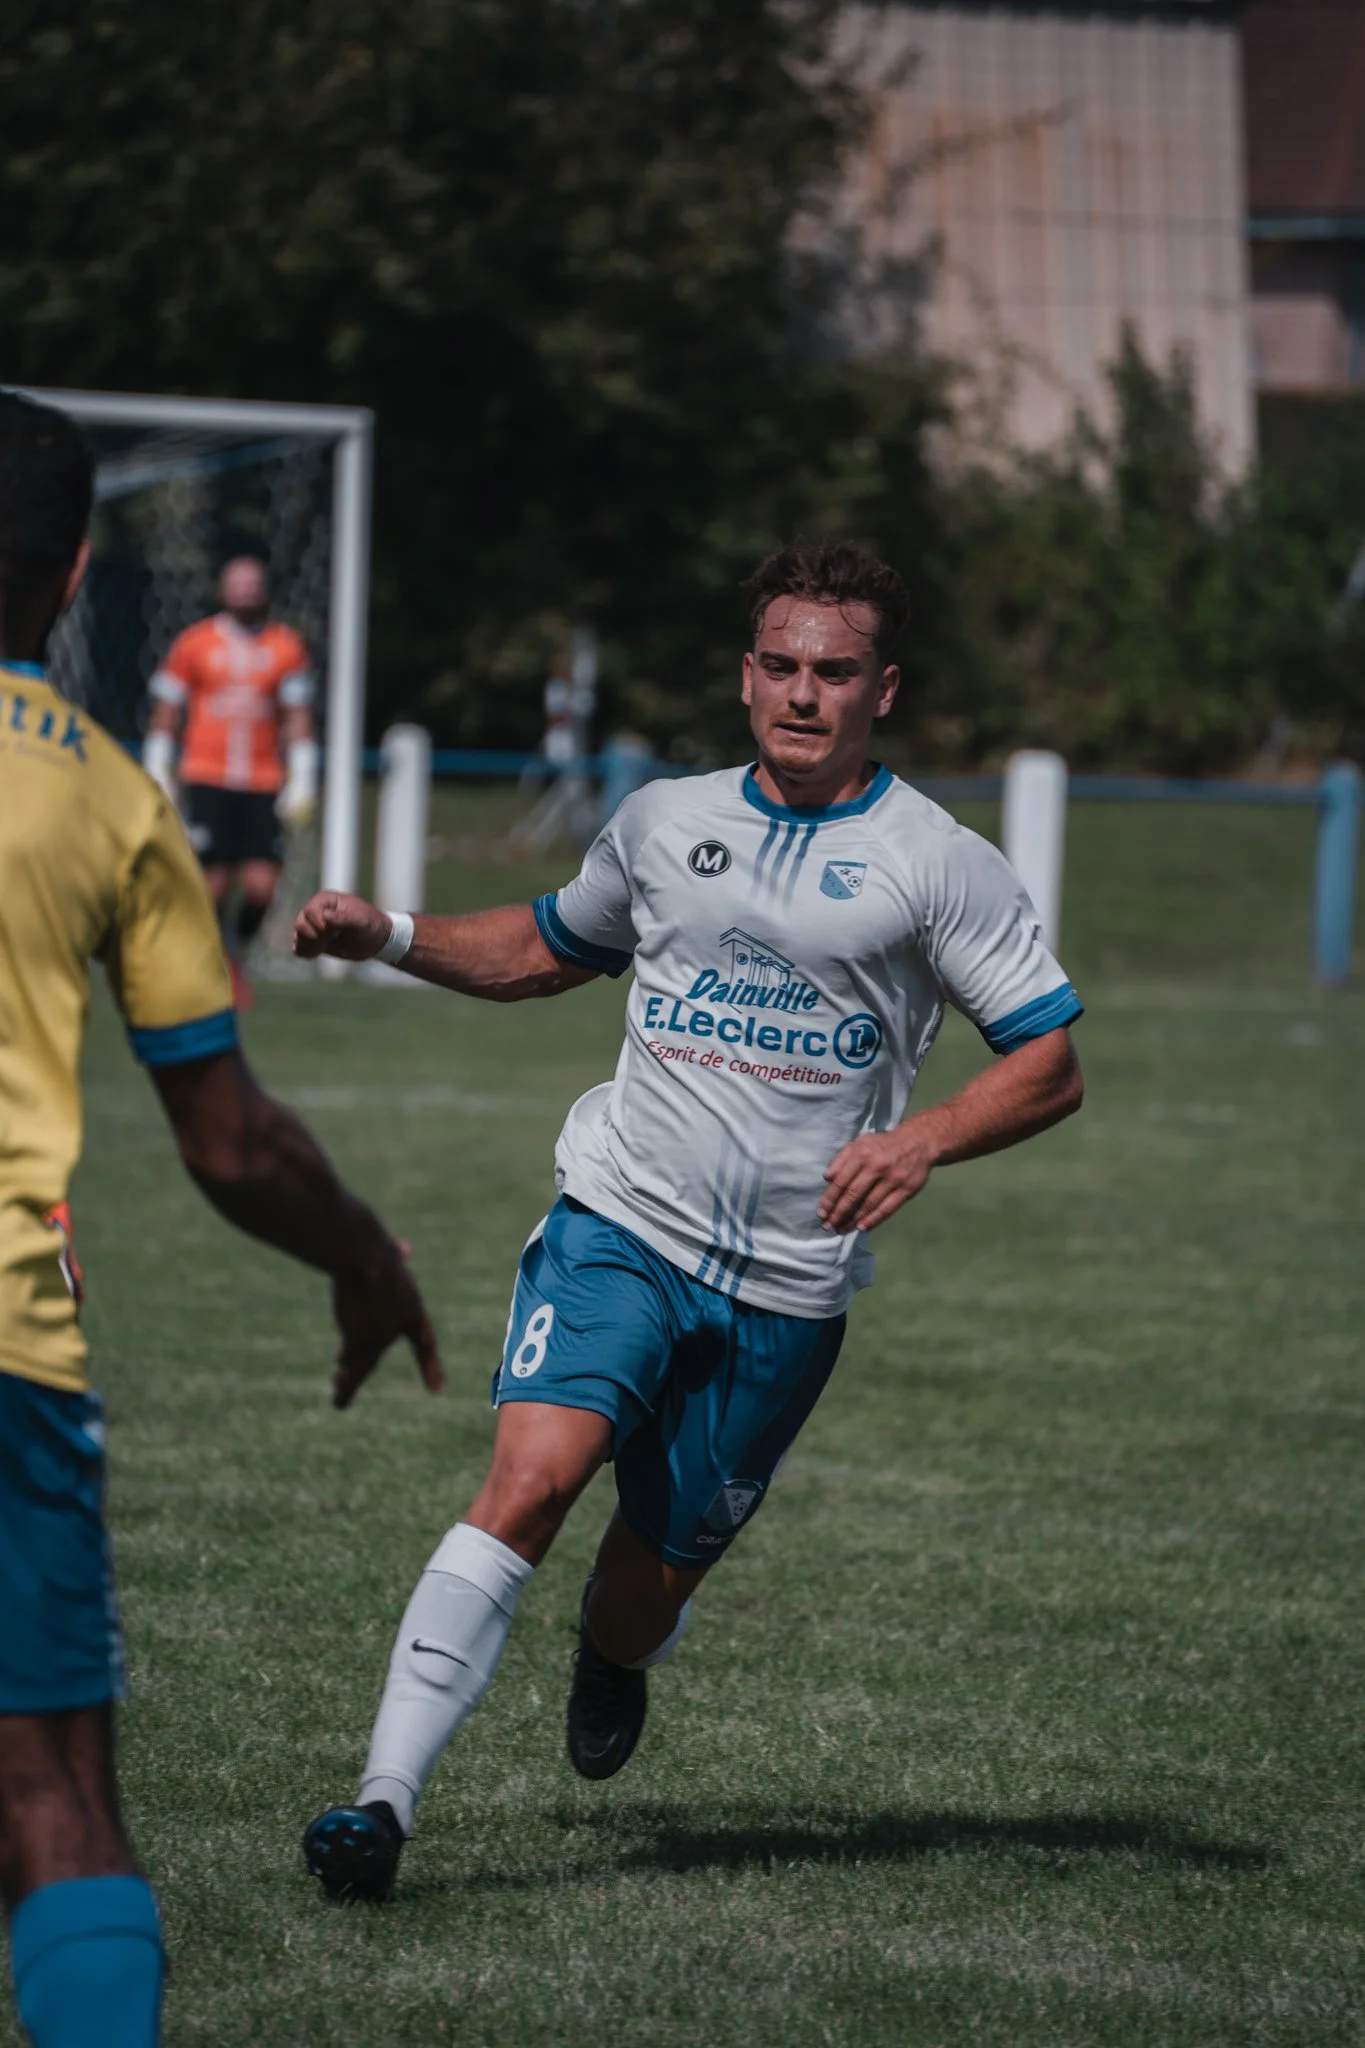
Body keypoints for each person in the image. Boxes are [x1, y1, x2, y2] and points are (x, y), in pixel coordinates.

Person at [294, 536, 1085, 1905]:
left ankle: (612, 1656)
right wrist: (392, 933)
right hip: (622, 1221)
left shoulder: (936, 865)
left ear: (879, 690)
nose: (800, 693)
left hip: (786, 1290)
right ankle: (380, 1804)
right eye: (778, 664)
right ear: (744, 675)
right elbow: (551, 945)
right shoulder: (665, 821)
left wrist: (924, 1137)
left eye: (833, 672)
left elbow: (1050, 1062)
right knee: (528, 1481)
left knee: (635, 1594)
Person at [0, 392, 443, 2046]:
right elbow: (233, 1140)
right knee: (53, 1817)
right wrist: (367, 1260)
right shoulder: (104, 795)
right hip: (2, 1343)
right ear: (76, 564)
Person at [142, 555, 318, 1005]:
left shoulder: (285, 647)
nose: (246, 592)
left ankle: (235, 951)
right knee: (212, 883)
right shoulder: (195, 643)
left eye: (253, 583)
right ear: (222, 590)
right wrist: (159, 765)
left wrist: (303, 776)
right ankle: (218, 963)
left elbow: (297, 716)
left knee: (262, 885)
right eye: (237, 583)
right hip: (207, 773)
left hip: (261, 779)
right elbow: (167, 709)